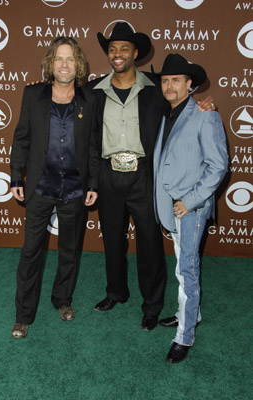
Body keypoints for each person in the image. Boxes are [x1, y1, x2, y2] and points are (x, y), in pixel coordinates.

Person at [85, 22, 215, 331]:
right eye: (113, 49)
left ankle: (152, 305)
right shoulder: (94, 92)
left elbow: (182, 106)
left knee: (149, 243)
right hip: (108, 172)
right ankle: (116, 292)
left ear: (136, 53)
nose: (118, 54)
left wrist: (205, 105)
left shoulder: (156, 89)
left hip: (145, 176)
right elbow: (86, 136)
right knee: (112, 240)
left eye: (124, 49)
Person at [10, 37, 99, 338]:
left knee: (69, 251)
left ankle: (62, 300)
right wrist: (15, 177)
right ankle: (23, 315)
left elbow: (94, 147)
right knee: (30, 252)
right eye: (59, 59)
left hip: (75, 188)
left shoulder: (90, 99)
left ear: (79, 64)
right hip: (39, 187)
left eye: (71, 59)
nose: (64, 64)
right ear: (50, 63)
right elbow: (21, 137)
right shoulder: (33, 94)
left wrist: (94, 184)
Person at [152, 53, 228, 363]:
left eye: (176, 80)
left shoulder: (204, 114)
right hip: (170, 206)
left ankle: (185, 335)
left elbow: (218, 165)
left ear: (190, 84)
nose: (169, 85)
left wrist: (192, 200)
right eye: (165, 80)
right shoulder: (164, 113)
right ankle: (189, 314)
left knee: (187, 270)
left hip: (189, 208)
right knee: (182, 267)